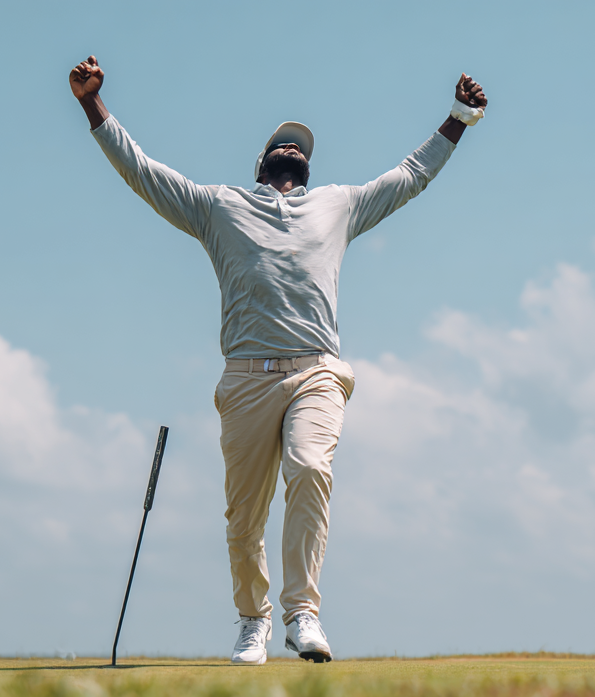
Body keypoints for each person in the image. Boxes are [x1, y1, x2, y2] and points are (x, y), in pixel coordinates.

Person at [69, 56, 488, 665]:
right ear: (262, 165)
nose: (292, 148)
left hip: (316, 370)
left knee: (311, 467)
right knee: (244, 517)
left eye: (301, 148)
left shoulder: (338, 206)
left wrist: (457, 119)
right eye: (281, 145)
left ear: (307, 168)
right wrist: (91, 104)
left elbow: (409, 176)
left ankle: (302, 614)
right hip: (245, 377)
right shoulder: (217, 206)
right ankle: (253, 621)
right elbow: (142, 172)